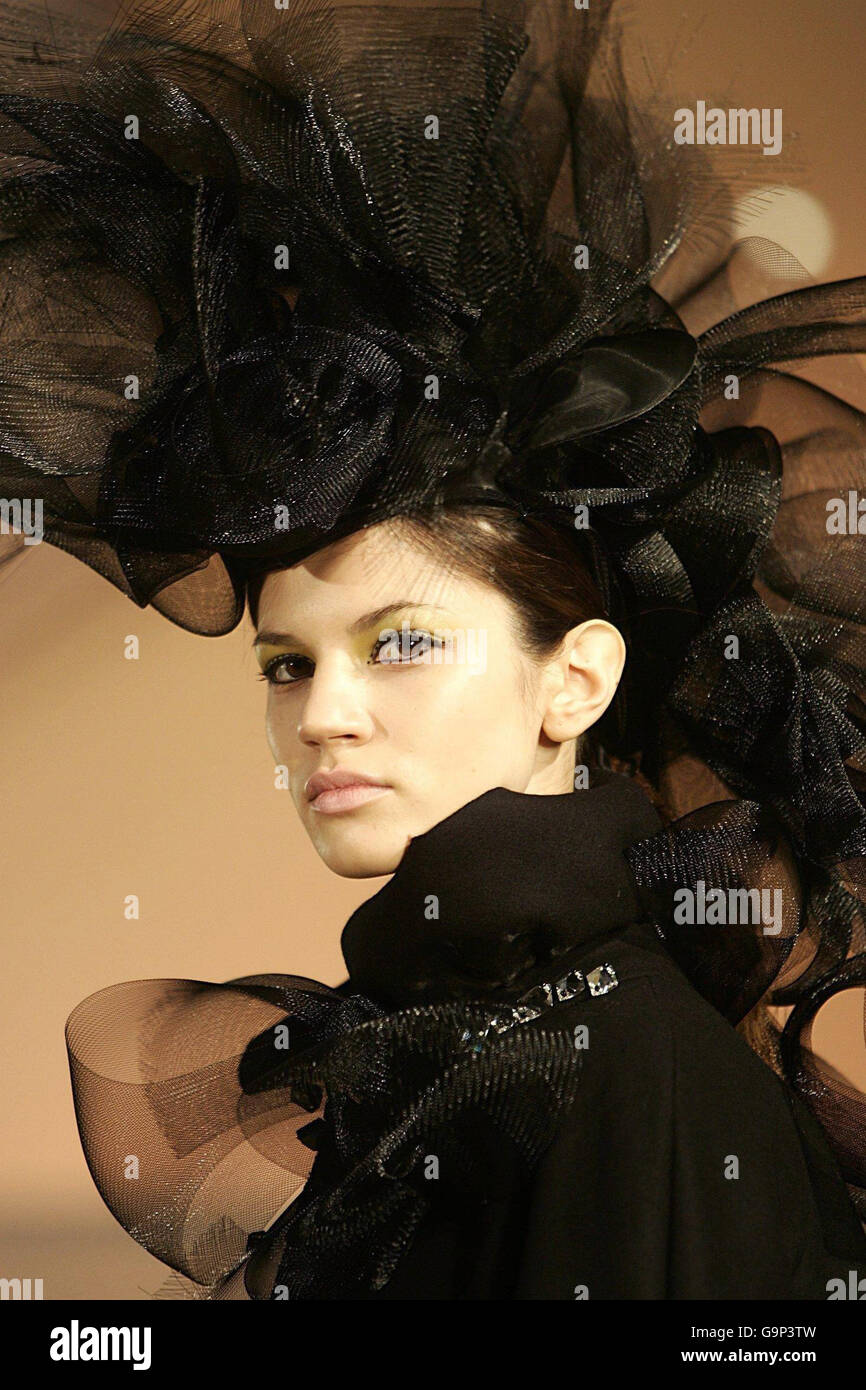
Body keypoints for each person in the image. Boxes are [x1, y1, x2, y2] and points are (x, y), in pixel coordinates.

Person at [2, 0, 865, 1299]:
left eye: (397, 643)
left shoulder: (614, 1059)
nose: (323, 715)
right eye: (287, 662)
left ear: (573, 679)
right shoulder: (464, 1043)